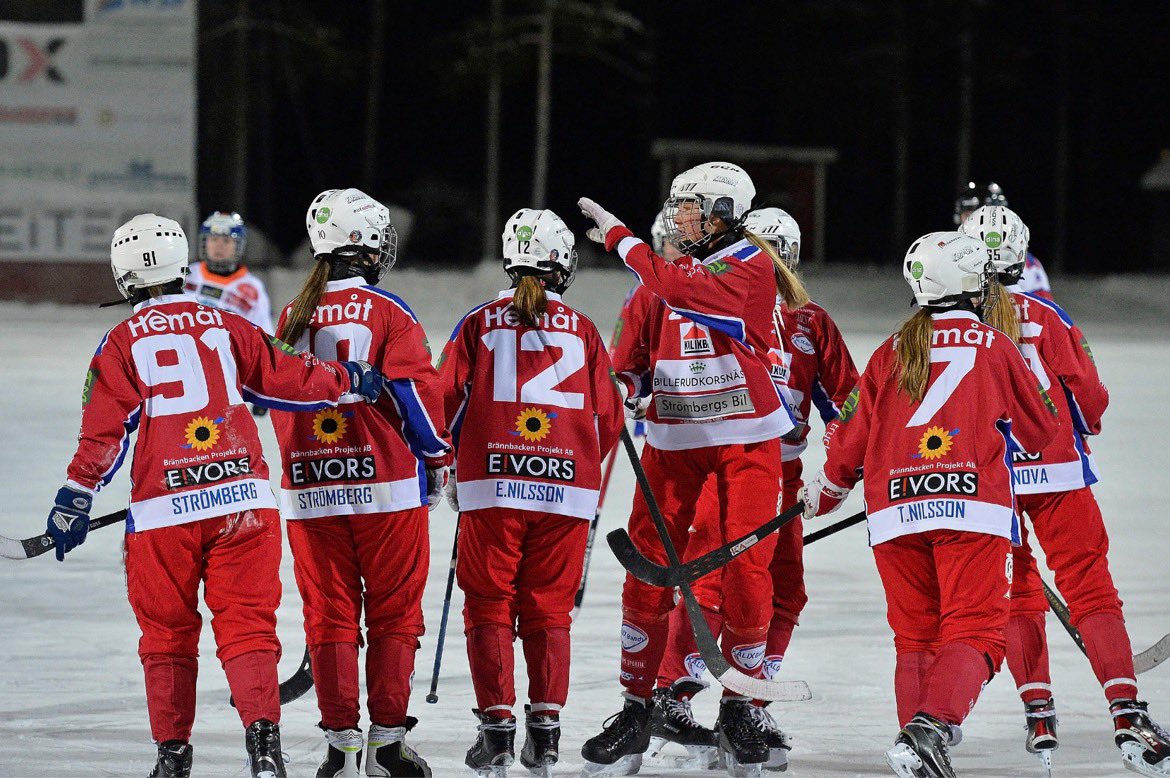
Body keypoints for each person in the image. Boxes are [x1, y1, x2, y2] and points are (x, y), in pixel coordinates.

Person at [45, 214, 387, 778]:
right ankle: (264, 746)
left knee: (166, 635)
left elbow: (102, 434)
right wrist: (349, 377)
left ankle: (173, 756)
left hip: (163, 516)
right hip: (243, 504)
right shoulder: (226, 322)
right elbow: (290, 375)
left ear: (123, 274)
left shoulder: (121, 341)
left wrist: (76, 495)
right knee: (249, 627)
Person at [801, 231, 1060, 777]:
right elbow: (1041, 431)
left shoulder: (891, 349)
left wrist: (824, 493)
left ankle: (913, 748)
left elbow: (848, 441)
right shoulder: (996, 345)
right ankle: (932, 727)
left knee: (916, 638)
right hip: (973, 511)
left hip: (894, 514)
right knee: (976, 632)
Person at [576, 162, 799, 776]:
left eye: (691, 207)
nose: (679, 218)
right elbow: (631, 362)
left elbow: (681, 286)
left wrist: (621, 238)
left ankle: (741, 705)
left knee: (746, 569)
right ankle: (636, 705)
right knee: (646, 565)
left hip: (744, 436)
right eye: (676, 206)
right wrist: (625, 388)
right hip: (675, 435)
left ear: (726, 213)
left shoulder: (749, 264)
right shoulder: (658, 284)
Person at [647, 207, 860, 772]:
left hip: (778, 476)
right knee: (718, 583)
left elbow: (849, 404)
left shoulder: (810, 322)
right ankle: (675, 693)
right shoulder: (724, 307)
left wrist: (835, 471)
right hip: (730, 466)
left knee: (781, 590)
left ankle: (745, 703)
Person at [964, 205, 1170, 777]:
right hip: (1057, 473)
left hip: (987, 481)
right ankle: (1127, 711)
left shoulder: (952, 328)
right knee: (1092, 589)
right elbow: (1090, 396)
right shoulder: (1046, 314)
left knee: (1016, 593)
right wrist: (1078, 431)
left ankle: (1039, 715)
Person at [269, 189, 451, 778]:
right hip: (385, 488)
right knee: (395, 616)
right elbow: (413, 392)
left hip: (310, 491)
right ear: (365, 245)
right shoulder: (389, 310)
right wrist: (436, 455)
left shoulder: (292, 315)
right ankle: (387, 747)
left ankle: (341, 747)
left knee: (329, 616)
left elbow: (273, 396)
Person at [438, 208, 624, 777]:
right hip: (565, 492)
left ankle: (496, 730)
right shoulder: (584, 329)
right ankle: (545, 734)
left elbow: (442, 398)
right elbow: (609, 419)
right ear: (562, 264)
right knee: (549, 609)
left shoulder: (478, 322)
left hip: (492, 486)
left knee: (488, 603)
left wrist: (451, 466)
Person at [185, 212, 276, 416]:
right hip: (184, 370)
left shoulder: (252, 289)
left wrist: (264, 386)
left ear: (238, 245)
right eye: (213, 239)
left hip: (225, 377)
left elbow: (264, 338)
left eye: (226, 241)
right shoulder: (186, 275)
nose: (219, 246)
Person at [952, 183, 1052, 299]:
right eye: (970, 216)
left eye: (988, 217)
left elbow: (1041, 306)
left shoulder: (1024, 263)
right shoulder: (946, 257)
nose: (979, 223)